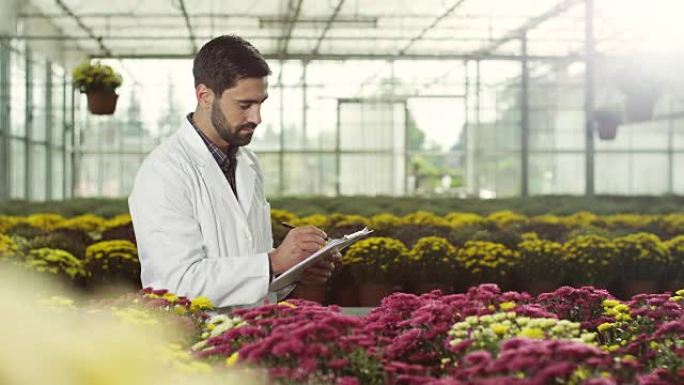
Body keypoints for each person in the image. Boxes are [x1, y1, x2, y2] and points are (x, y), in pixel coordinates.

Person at [128, 35, 338, 308]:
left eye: (261, 103)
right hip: (199, 343)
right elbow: (174, 284)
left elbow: (255, 275)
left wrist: (295, 270)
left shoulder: (247, 162)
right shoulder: (163, 172)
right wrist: (273, 262)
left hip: (252, 335)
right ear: (204, 96)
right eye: (244, 105)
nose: (257, 118)